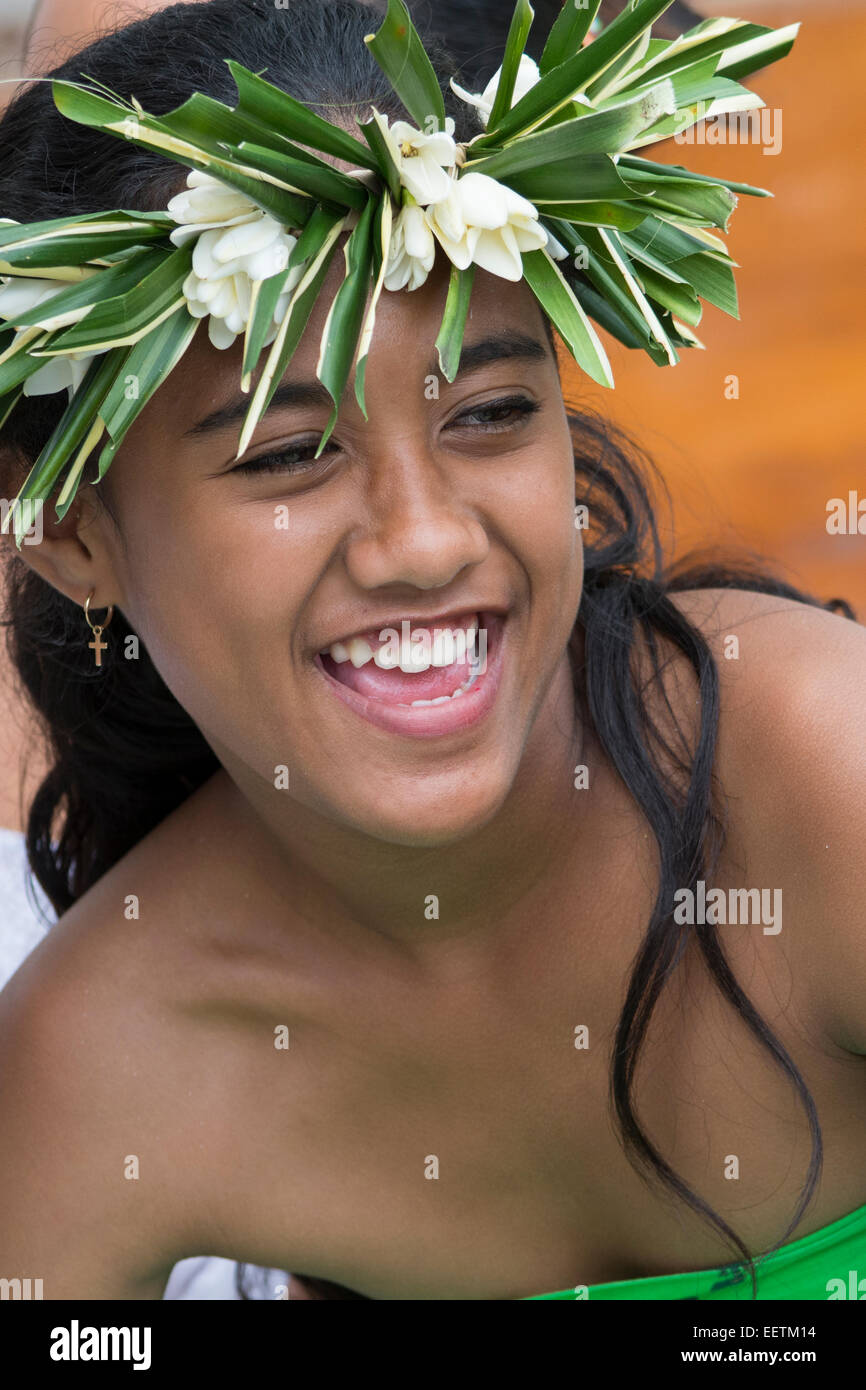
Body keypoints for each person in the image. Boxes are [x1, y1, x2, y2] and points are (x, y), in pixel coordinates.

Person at [0, 0, 864, 1302]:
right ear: (70, 536)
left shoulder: (821, 783)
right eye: (289, 452)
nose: (420, 537)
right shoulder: (105, 1055)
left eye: (492, 413)